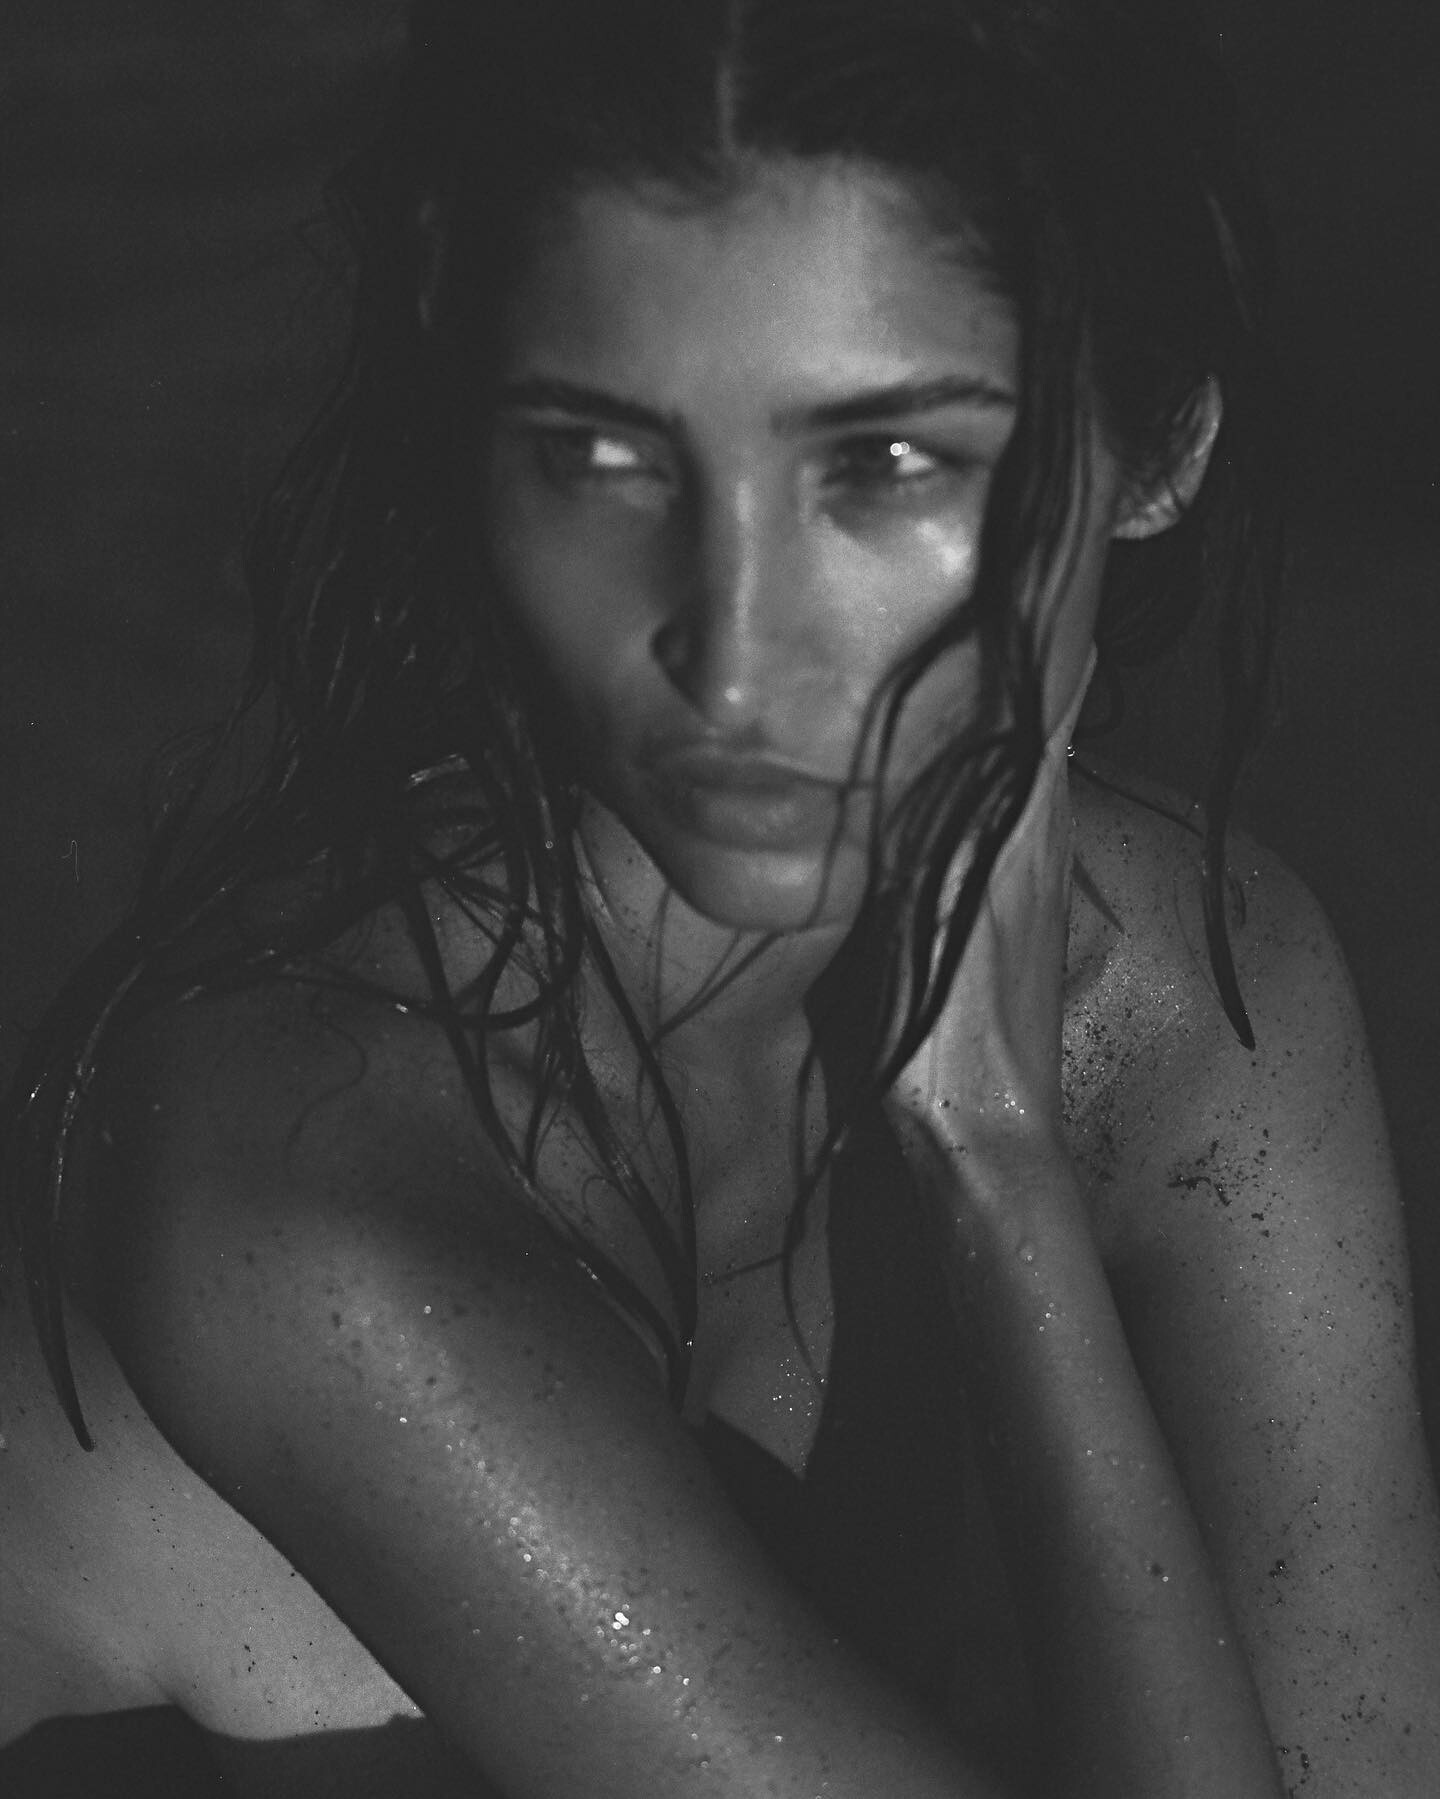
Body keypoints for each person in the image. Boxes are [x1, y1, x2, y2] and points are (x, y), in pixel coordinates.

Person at [3, 1, 1439, 1794]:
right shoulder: (312, 1181)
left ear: (1155, 452)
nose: (730, 658)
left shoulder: (1193, 992)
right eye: (601, 459)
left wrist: (1009, 1160)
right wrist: (1000, 1184)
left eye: (885, 465)